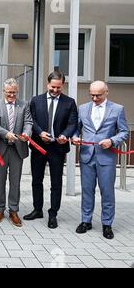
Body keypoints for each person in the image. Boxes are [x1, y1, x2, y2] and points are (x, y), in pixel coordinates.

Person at [72, 81, 128, 239]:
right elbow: (76, 128)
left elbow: (124, 132)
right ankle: (86, 221)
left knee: (107, 192)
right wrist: (75, 137)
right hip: (86, 156)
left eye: (98, 95)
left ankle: (107, 224)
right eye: (92, 95)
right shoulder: (82, 108)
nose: (94, 98)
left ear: (106, 92)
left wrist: (112, 140)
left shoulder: (117, 109)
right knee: (87, 190)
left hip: (106, 157)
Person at [23, 70, 78, 229]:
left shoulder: (69, 102)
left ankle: (53, 213)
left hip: (57, 148)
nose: (55, 90)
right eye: (53, 87)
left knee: (56, 182)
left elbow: (72, 123)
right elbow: (30, 120)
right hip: (39, 146)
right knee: (36, 180)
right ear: (47, 84)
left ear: (63, 85)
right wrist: (39, 132)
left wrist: (65, 135)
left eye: (58, 88)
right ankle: (37, 209)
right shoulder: (36, 100)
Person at [0, 78, 32, 227]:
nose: (12, 95)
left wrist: (27, 133)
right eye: (9, 93)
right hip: (1, 148)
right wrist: (6, 134)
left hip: (18, 149)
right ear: (4, 91)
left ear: (17, 91)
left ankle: (13, 210)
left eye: (14, 92)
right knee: (0, 181)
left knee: (15, 181)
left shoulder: (24, 105)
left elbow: (28, 122)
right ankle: (0, 209)